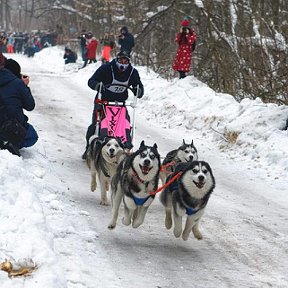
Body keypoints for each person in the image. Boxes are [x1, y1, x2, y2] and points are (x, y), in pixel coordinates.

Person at [82, 50, 144, 159]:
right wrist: (97, 86)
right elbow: (91, 81)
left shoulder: (132, 72)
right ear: (116, 59)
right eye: (121, 60)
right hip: (103, 102)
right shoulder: (106, 68)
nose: (123, 63)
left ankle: (125, 147)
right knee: (96, 124)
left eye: (126, 61)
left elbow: (138, 86)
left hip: (120, 105)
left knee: (125, 125)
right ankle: (89, 148)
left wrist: (138, 91)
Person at [0, 58, 38, 156]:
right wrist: (25, 86)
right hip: (11, 126)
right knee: (33, 136)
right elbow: (30, 106)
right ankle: (11, 143)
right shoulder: (18, 83)